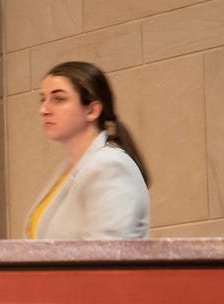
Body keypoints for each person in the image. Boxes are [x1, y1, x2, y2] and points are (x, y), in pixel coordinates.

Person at [28, 61, 151, 240]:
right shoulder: (69, 168)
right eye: (43, 99)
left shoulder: (110, 166)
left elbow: (109, 254)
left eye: (59, 99)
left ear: (92, 110)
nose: (44, 110)